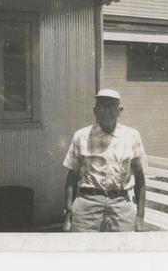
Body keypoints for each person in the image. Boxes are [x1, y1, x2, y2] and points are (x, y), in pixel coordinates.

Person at [62, 88, 147, 232]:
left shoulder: (132, 136)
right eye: (102, 106)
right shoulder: (81, 136)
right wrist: (68, 213)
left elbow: (140, 178)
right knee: (84, 250)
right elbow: (72, 176)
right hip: (87, 204)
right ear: (95, 110)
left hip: (121, 204)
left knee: (122, 250)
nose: (106, 110)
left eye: (111, 106)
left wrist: (140, 216)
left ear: (120, 110)